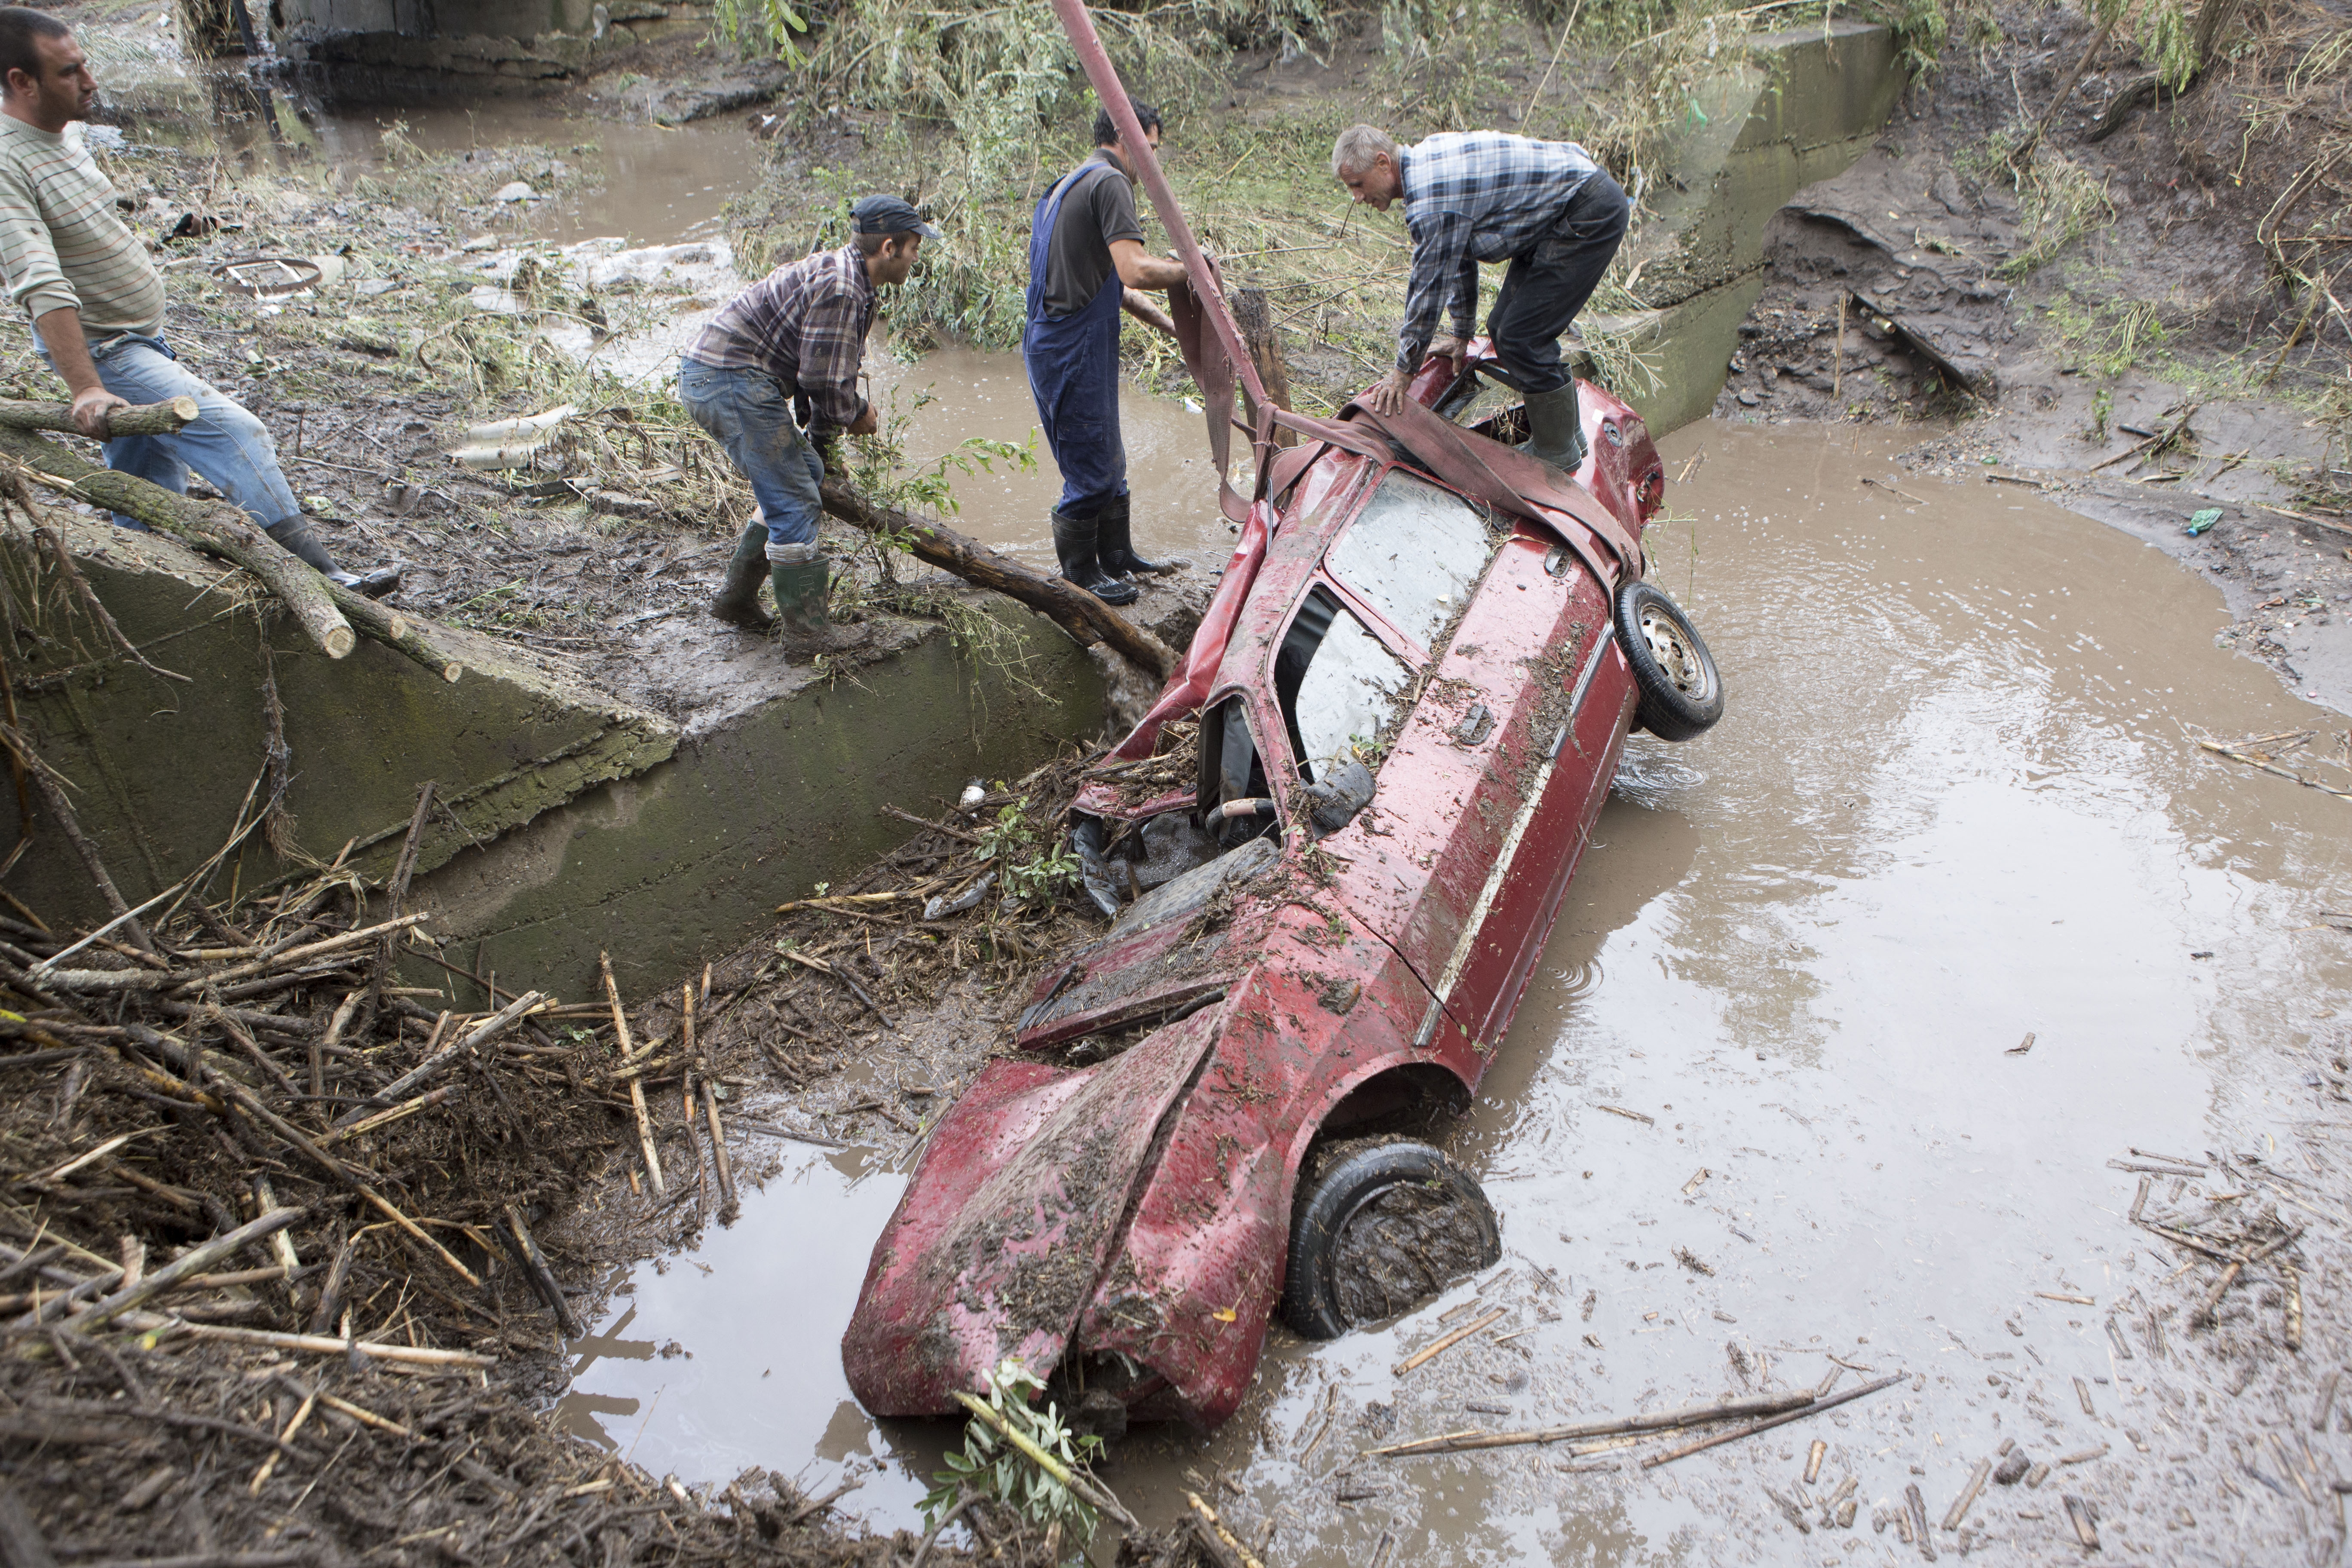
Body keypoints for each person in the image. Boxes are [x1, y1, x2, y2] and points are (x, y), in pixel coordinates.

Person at [0, 9, 398, 596]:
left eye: (85, 64)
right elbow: (40, 282)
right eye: (69, 72)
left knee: (146, 493)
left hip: (135, 337)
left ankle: (137, 588)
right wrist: (87, 386)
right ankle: (322, 578)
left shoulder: (64, 133)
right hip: (109, 352)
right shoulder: (8, 162)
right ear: (21, 83)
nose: (90, 82)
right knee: (238, 433)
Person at [683, 194, 934, 637]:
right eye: (914, 247)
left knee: (803, 477)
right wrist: (858, 413)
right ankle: (808, 638)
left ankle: (735, 603)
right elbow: (823, 383)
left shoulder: (853, 281)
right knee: (795, 501)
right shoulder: (842, 286)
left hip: (725, 377)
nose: (917, 257)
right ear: (889, 248)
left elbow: (824, 377)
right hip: (727, 380)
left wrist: (824, 452)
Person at [1331, 123, 1630, 474]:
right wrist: (1462, 334)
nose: (1357, 197)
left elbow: (1428, 293)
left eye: (1357, 185)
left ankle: (1557, 453)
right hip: (1558, 214)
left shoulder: (1431, 199)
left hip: (1586, 211)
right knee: (1502, 328)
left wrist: (1403, 372)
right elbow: (1458, 259)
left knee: (1524, 336)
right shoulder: (1427, 164)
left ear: (1383, 163)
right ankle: (1568, 438)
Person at [1023, 98, 1185, 608]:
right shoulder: (1112, 182)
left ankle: (1117, 556)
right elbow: (1135, 268)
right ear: (1125, 137)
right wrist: (1191, 269)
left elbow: (1108, 279)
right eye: (1151, 149)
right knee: (1089, 467)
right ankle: (1080, 574)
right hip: (1073, 346)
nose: (1153, 162)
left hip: (1060, 341)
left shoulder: (1068, 184)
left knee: (1108, 457)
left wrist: (1164, 322)